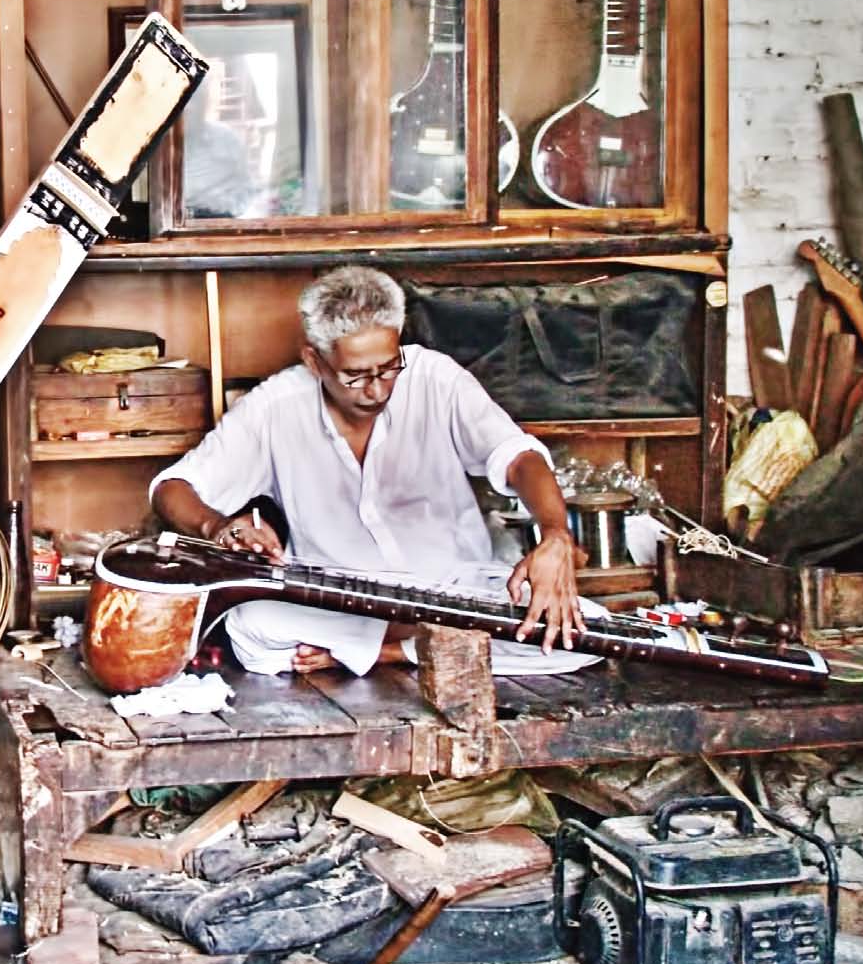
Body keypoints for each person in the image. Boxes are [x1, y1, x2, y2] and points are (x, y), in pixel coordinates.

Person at [151, 265, 593, 677]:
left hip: (456, 592)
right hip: (344, 602)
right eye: (356, 376)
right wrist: (219, 525)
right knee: (250, 626)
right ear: (315, 361)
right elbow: (171, 487)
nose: (378, 389)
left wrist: (555, 533)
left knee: (588, 629)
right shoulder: (275, 407)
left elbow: (518, 456)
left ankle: (390, 653)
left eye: (388, 368)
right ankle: (421, 648)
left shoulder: (434, 378)